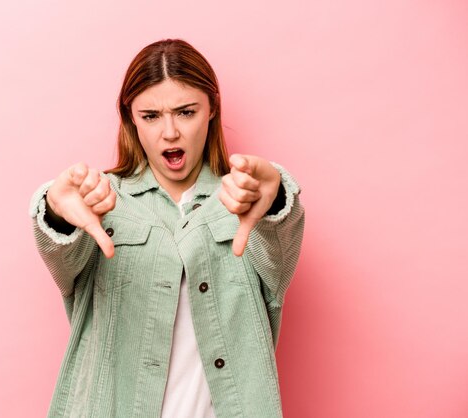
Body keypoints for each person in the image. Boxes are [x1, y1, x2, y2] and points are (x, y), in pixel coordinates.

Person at [29, 39, 304, 418]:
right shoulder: (100, 204)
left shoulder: (244, 203)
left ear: (211, 111)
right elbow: (62, 257)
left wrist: (274, 197)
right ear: (130, 119)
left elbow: (279, 242)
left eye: (186, 112)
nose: (170, 132)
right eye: (151, 116)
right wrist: (55, 212)